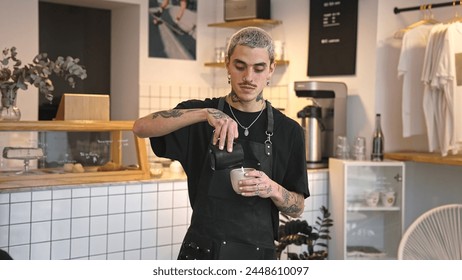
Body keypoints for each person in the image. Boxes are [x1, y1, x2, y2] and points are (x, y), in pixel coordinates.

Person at [133, 26, 309, 260]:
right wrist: (204, 113)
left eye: (259, 68)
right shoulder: (200, 116)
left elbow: (296, 208)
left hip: (258, 257)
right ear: (227, 64)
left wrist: (272, 188)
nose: (248, 77)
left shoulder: (289, 131)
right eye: (240, 66)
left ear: (271, 70)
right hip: (202, 251)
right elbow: (140, 127)